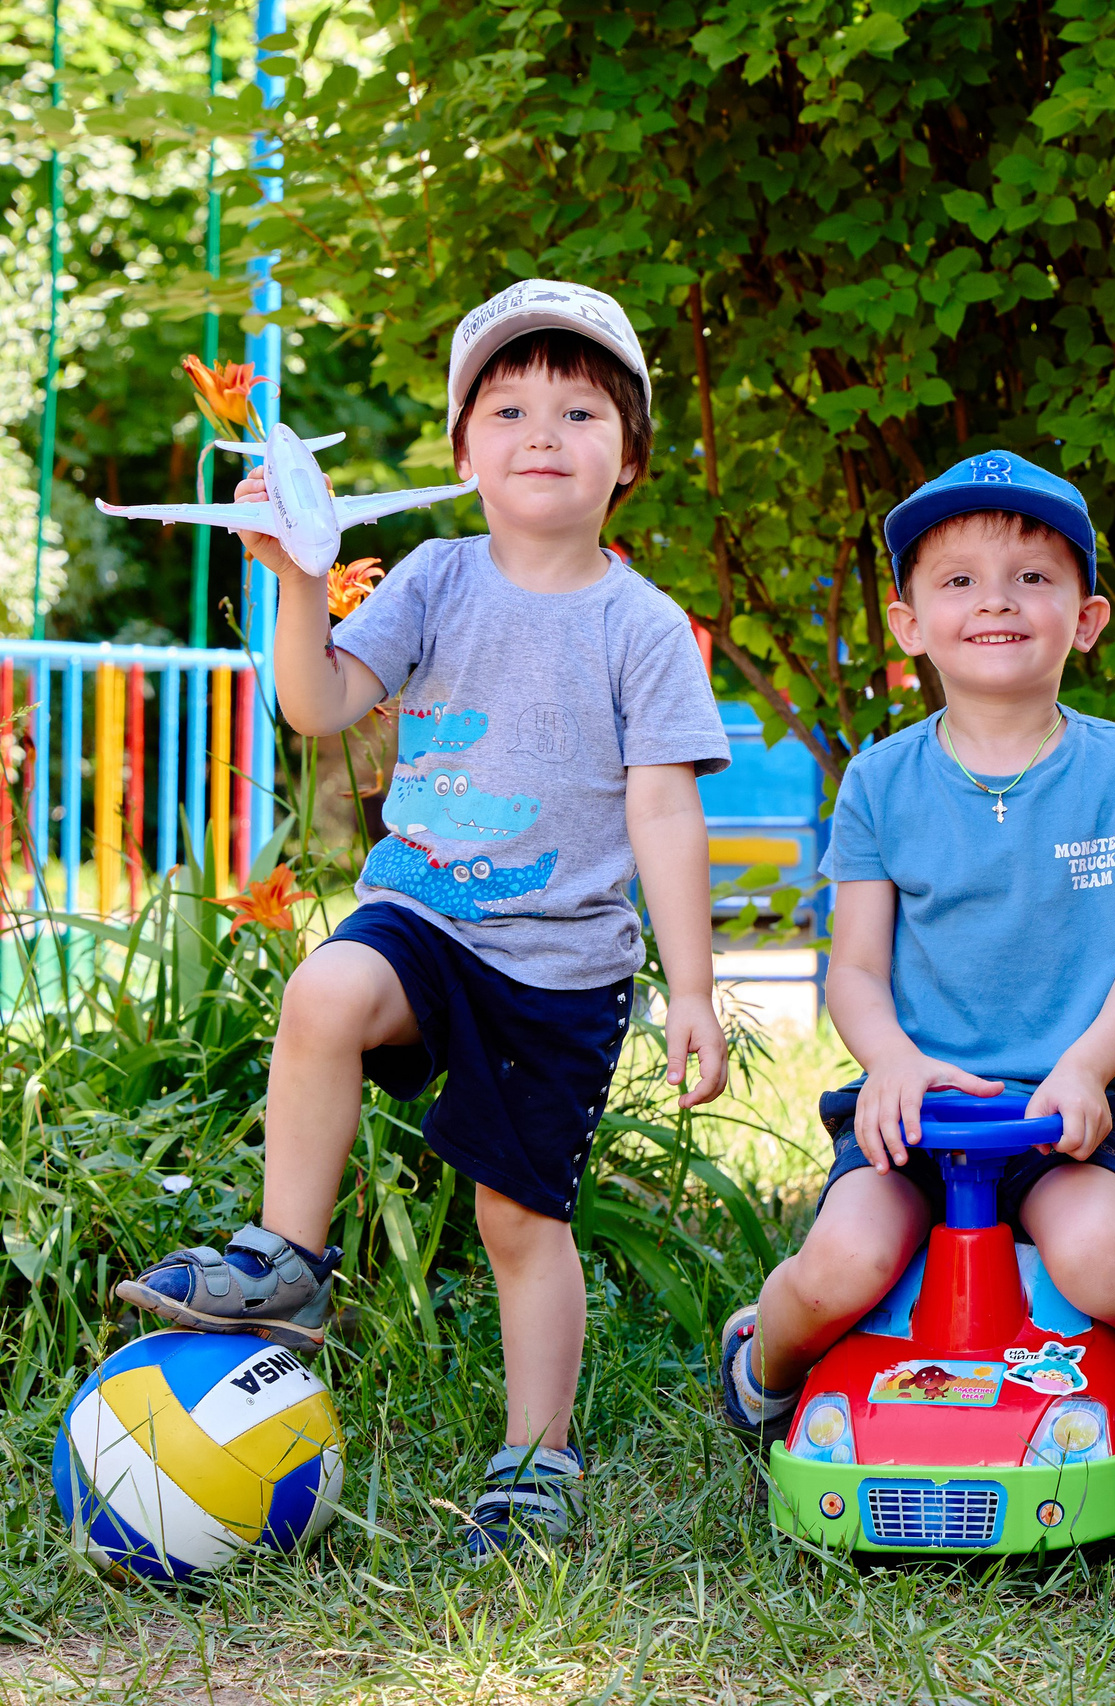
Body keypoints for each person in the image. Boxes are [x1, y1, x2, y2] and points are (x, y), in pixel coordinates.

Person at [118, 280, 733, 1556]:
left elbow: (667, 817)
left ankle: (535, 1453)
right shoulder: (440, 578)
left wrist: (692, 990)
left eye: (578, 407)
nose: (542, 430)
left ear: (630, 458)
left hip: (559, 966)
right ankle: (289, 1257)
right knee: (325, 991)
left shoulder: (644, 626)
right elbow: (318, 701)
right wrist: (293, 578)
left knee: (520, 1217)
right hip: (426, 913)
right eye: (506, 408)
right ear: (463, 454)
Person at [715, 451, 1115, 1516]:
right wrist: (893, 1062)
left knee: (1105, 1262)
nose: (997, 601)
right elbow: (859, 970)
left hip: (1067, 1110)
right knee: (840, 1268)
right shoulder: (882, 776)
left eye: (1031, 577)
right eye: (959, 580)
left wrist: (1084, 1067)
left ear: (1088, 616)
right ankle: (761, 1365)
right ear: (909, 622)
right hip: (914, 1109)